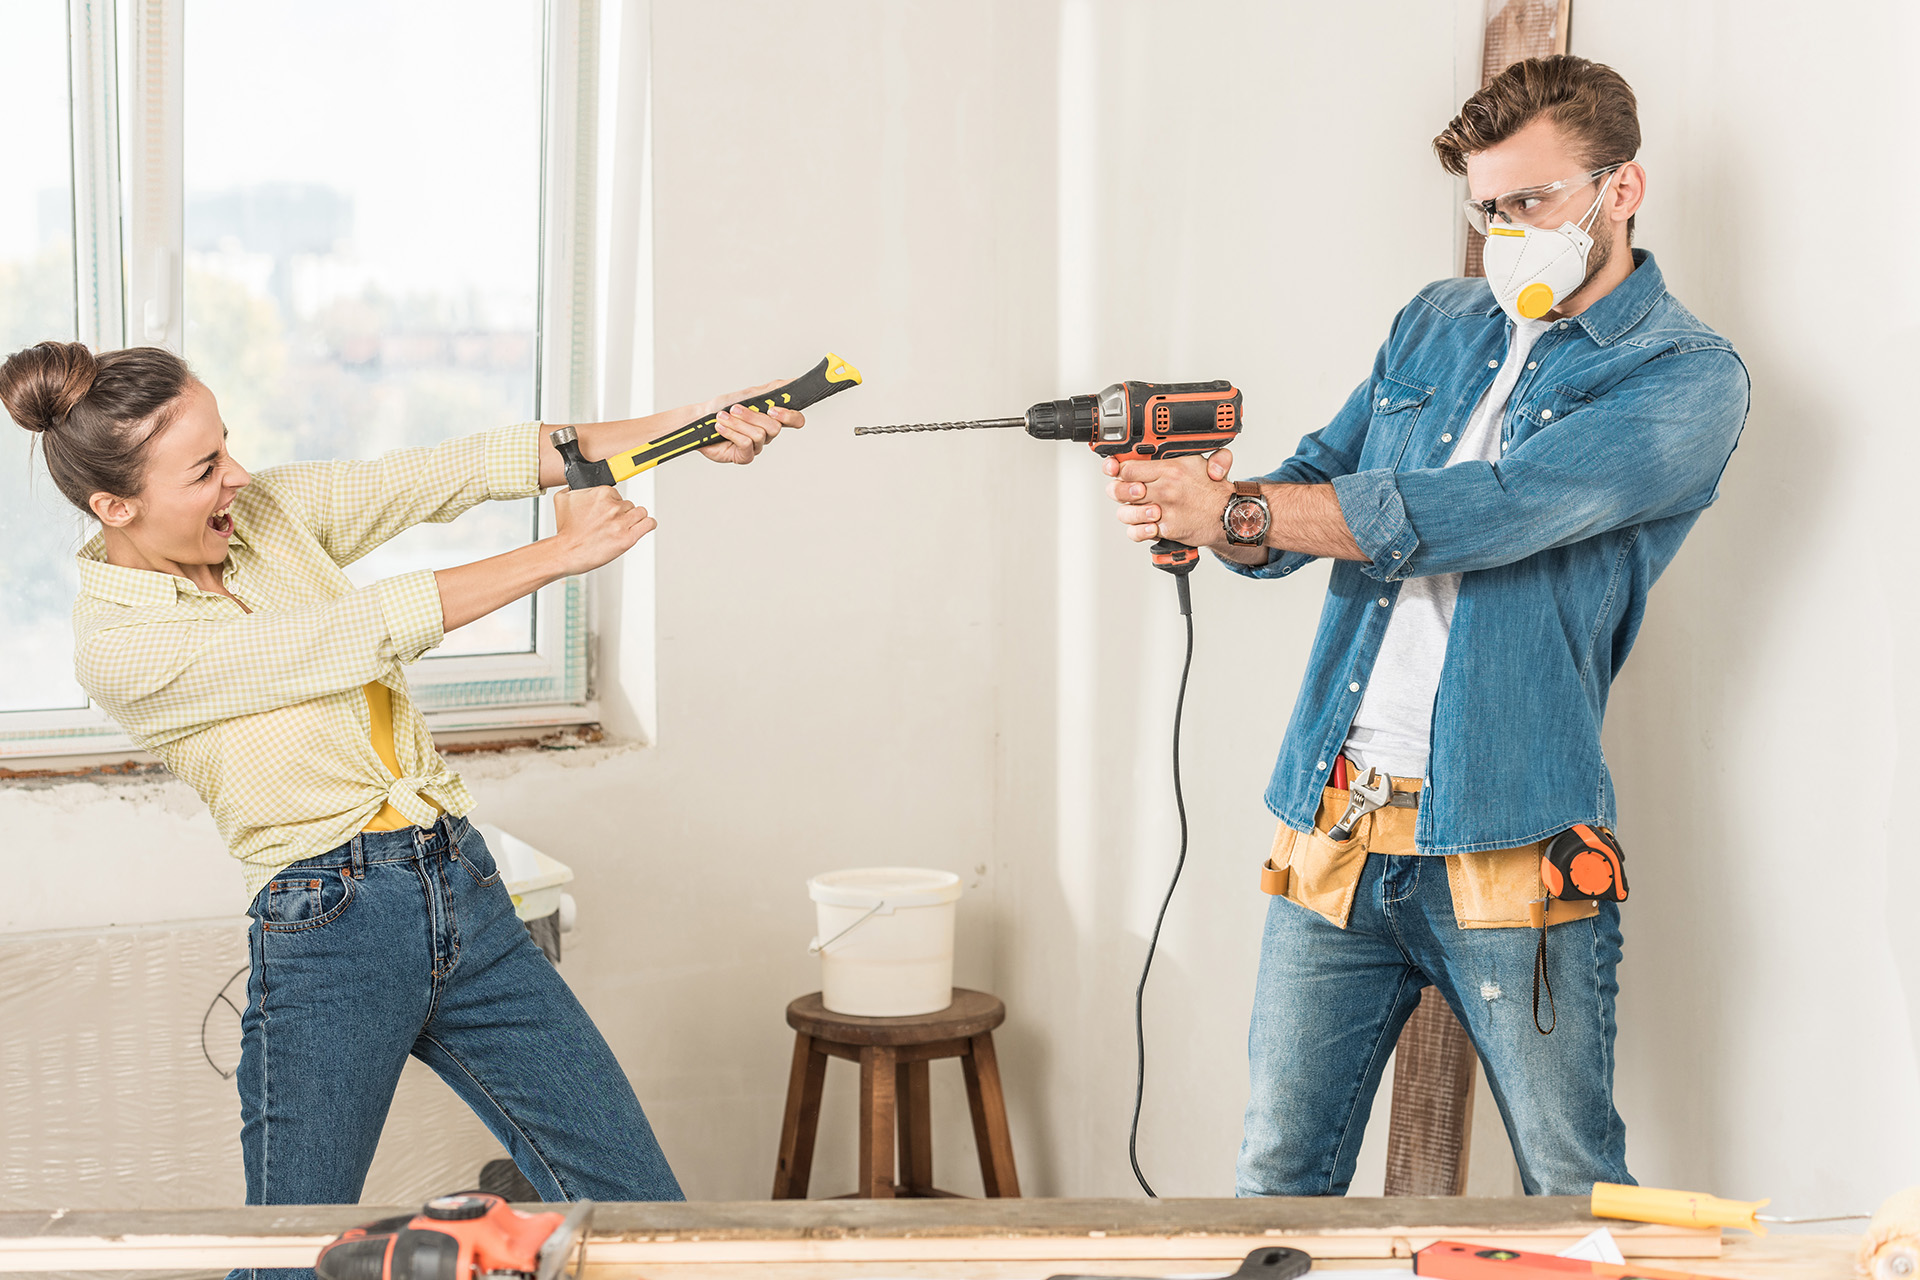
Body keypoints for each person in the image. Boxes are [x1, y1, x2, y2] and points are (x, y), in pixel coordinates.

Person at [1102, 55, 1750, 1195]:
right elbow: (1313, 492)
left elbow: (1486, 513)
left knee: (1570, 1184)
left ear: (1622, 189)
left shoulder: (1685, 378)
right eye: (1487, 206)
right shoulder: (1438, 322)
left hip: (1509, 840)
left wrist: (1249, 505)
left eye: (1534, 201)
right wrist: (1211, 514)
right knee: (1276, 1177)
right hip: (1337, 824)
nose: (1506, 231)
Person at [0, 340, 802, 1250]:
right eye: (207, 467)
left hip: (461, 887)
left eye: (229, 443)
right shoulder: (118, 647)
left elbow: (456, 469)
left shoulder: (264, 516)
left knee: (639, 1213)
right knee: (290, 1253)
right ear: (116, 505)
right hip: (332, 930)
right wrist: (560, 553)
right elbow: (354, 637)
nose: (241, 477)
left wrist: (694, 427)